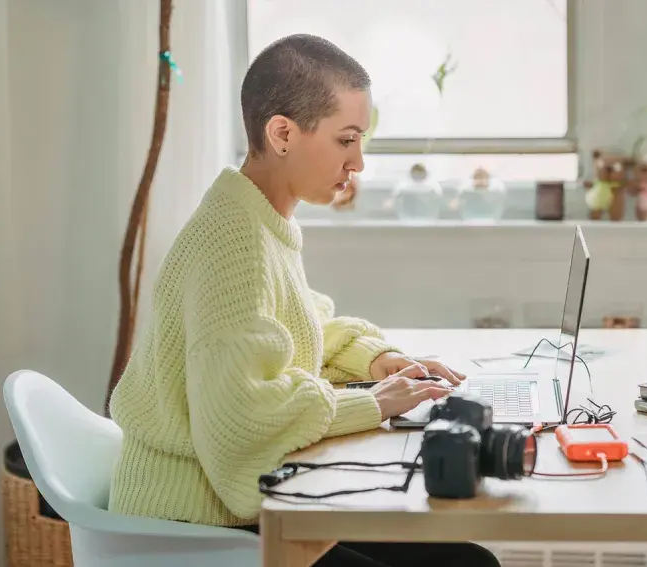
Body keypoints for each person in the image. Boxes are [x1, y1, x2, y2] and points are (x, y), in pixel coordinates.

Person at [106, 33, 502, 567]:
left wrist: (376, 360)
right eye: (346, 140)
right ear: (283, 133)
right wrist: (372, 402)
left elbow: (297, 330)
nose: (358, 162)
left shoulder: (259, 216)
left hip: (235, 513)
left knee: (465, 562)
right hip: (192, 529)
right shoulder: (233, 242)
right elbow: (239, 419)